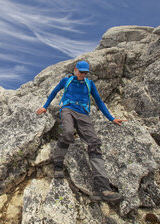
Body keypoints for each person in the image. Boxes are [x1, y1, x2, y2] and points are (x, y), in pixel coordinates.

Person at [36, 61, 127, 202]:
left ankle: (102, 189)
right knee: (67, 133)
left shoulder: (90, 84)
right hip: (67, 109)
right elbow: (54, 92)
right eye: (81, 71)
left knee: (94, 143)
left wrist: (112, 118)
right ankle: (58, 165)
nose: (83, 74)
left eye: (85, 72)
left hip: (83, 113)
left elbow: (99, 102)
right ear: (75, 70)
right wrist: (45, 106)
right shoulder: (66, 80)